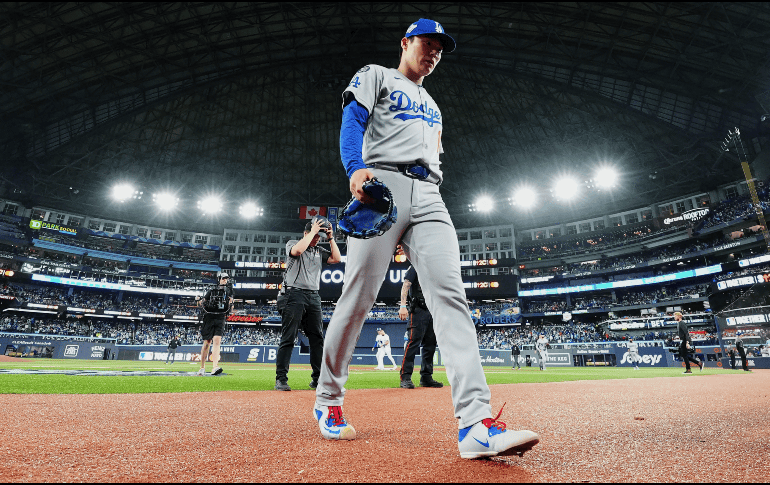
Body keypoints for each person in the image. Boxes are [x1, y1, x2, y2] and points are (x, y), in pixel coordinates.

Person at [313, 18, 539, 459]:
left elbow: (432, 155)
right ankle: (328, 401)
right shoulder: (376, 74)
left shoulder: (434, 105)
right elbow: (352, 120)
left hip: (431, 194)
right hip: (382, 186)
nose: (434, 52)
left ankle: (476, 423)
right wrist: (354, 168)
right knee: (358, 296)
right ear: (406, 42)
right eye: (427, 43)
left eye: (440, 48)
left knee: (451, 296)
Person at [275, 218, 342, 391]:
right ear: (306, 233)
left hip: (313, 296)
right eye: (314, 236)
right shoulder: (293, 243)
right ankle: (281, 379)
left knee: (317, 338)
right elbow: (297, 251)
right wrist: (312, 231)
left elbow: (337, 259)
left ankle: (318, 379)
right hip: (293, 293)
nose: (317, 239)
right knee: (288, 337)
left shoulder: (319, 250)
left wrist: (330, 238)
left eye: (319, 237)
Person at [398, 264, 443, 388]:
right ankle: (405, 377)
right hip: (418, 309)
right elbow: (406, 284)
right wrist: (403, 306)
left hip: (432, 309)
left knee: (430, 344)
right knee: (413, 343)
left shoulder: (435, 269)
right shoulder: (415, 266)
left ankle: (426, 377)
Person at [196, 272, 233, 376]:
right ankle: (202, 367)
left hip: (220, 317)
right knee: (207, 342)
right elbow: (202, 302)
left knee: (217, 340)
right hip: (209, 316)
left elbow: (230, 307)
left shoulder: (229, 292)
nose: (225, 280)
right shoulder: (212, 291)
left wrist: (231, 303)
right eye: (223, 278)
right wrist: (198, 300)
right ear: (219, 279)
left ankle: (215, 367)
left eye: (226, 279)